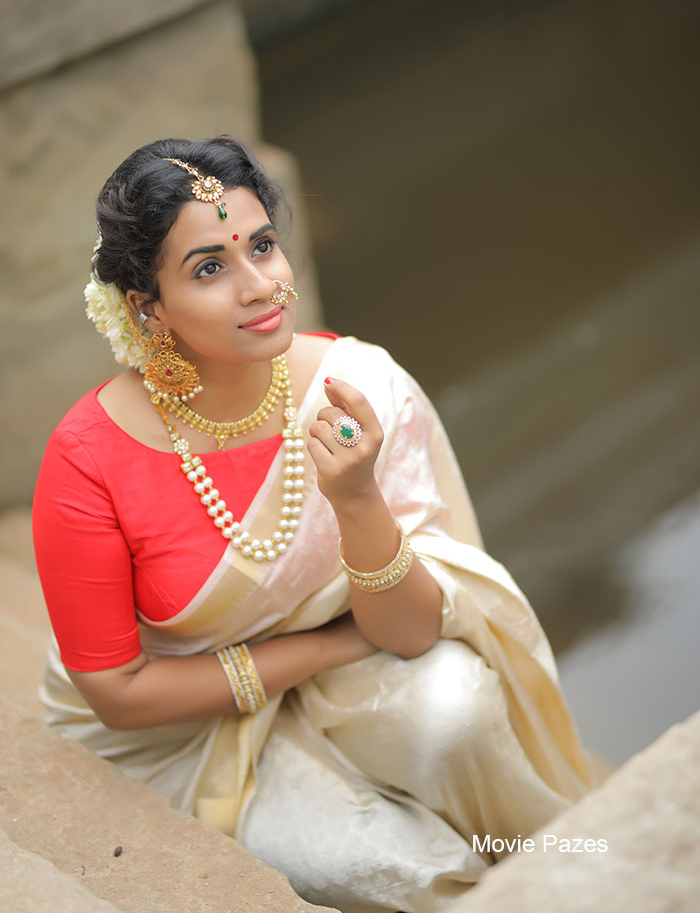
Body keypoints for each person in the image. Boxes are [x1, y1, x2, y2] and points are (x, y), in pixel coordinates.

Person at [33, 135, 591, 913]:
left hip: (357, 672)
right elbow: (119, 696)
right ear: (145, 306)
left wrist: (357, 499)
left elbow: (410, 636)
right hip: (180, 736)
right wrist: (326, 645)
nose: (261, 285)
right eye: (210, 268)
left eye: (262, 246)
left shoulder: (358, 388)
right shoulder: (88, 460)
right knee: (392, 869)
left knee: (458, 709)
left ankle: (564, 868)